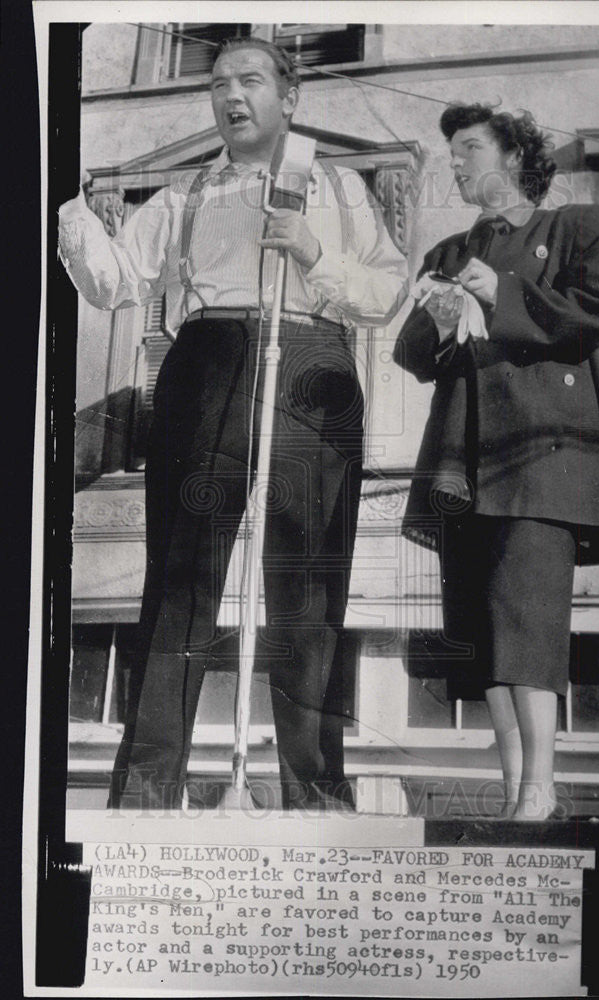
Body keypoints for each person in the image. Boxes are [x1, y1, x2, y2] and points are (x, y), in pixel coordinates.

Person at [59, 37, 408, 811]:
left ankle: (314, 793)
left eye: (249, 79)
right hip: (208, 357)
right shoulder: (187, 196)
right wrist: (72, 210)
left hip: (312, 361)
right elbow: (115, 284)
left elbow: (386, 291)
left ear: (291, 96)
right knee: (182, 578)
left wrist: (317, 253)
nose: (230, 95)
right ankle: (148, 791)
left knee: (308, 585)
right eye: (217, 83)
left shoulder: (340, 187)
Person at [395, 103, 599, 820]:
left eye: (469, 148)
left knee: (529, 623)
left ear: (515, 155)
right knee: (484, 631)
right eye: (452, 151)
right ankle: (517, 792)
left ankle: (541, 789)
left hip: (544, 455)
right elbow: (412, 357)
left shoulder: (581, 225)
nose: (455, 163)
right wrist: (433, 324)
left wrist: (508, 295)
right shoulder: (449, 254)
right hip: (463, 457)